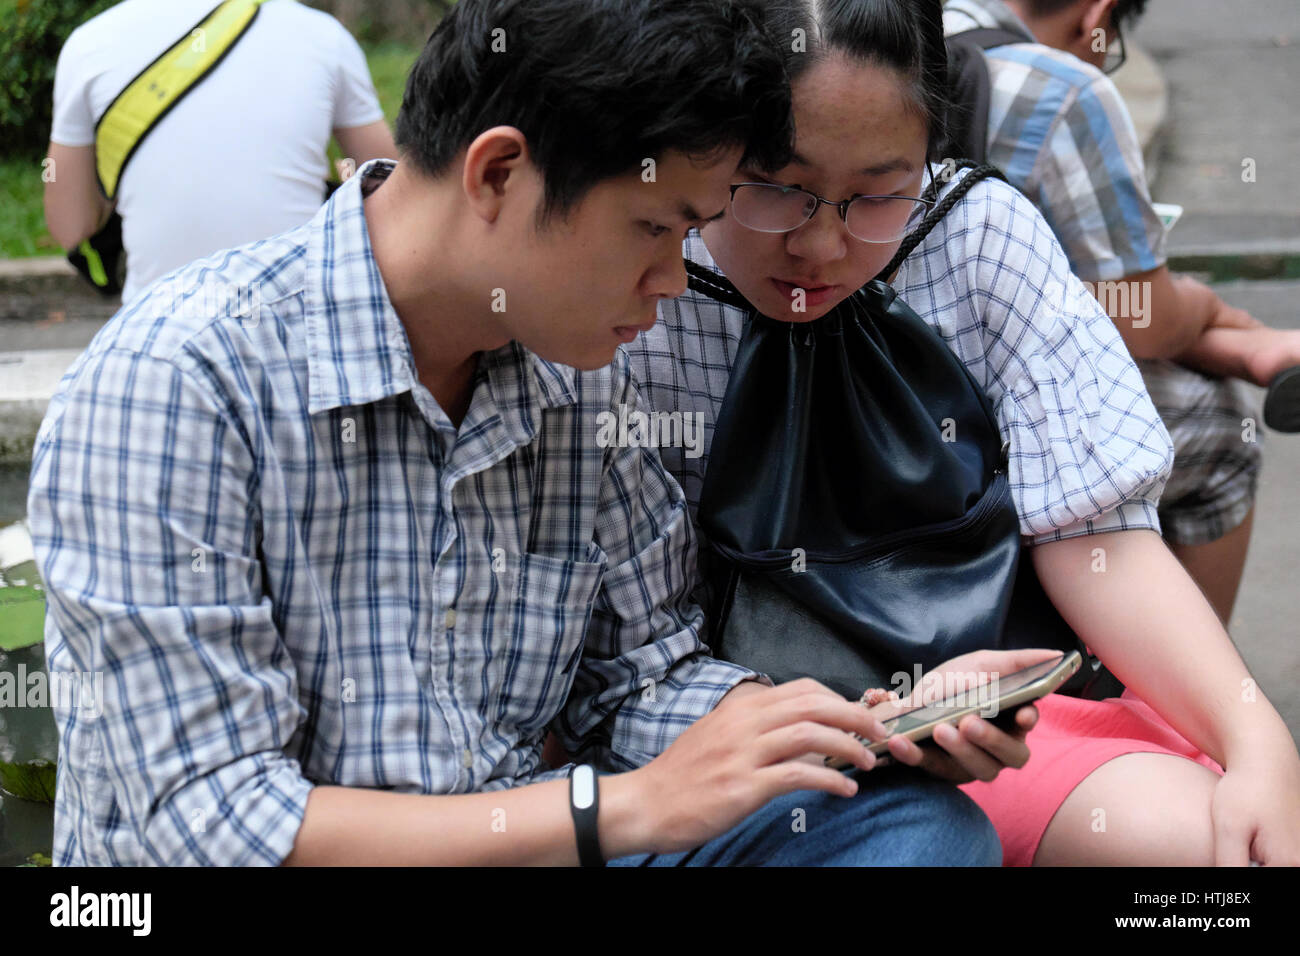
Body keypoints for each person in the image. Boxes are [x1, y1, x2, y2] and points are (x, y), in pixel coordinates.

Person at [28, 0, 1008, 868]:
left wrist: (846, 725)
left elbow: (640, 678)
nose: (674, 279)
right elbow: (210, 817)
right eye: (655, 228)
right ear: (499, 171)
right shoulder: (178, 376)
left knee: (915, 830)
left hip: (548, 831)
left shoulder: (573, 369)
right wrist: (608, 809)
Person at [623, 0, 1300, 866]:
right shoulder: (639, 282)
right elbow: (627, 648)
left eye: (876, 194)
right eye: (779, 188)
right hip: (728, 747)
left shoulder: (979, 236)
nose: (822, 245)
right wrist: (857, 723)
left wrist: (1255, 735)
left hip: (994, 721)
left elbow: (1098, 535)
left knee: (1215, 859)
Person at [943, 0, 1300, 626]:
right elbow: (1140, 317)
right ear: (1098, 15)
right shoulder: (1060, 88)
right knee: (1223, 429)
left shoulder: (899, 36)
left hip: (867, 377)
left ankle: (1251, 350)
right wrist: (1213, 309)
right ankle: (1173, 709)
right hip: (979, 416)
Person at [44, 0, 397, 305]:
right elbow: (392, 188)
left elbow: (69, 226)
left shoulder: (89, 45)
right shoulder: (324, 37)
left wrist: (114, 193)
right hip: (297, 324)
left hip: (156, 328)